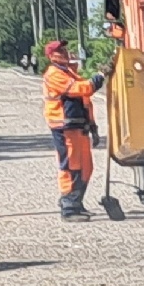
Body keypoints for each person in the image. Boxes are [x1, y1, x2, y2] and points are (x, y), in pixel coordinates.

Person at [42, 39, 101, 220]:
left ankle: (77, 202)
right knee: (70, 166)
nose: (65, 53)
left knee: (85, 168)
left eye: (65, 49)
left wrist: (93, 127)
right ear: (51, 56)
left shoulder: (69, 73)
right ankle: (68, 207)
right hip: (64, 126)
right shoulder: (54, 74)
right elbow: (80, 90)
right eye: (60, 51)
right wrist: (99, 77)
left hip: (78, 125)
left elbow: (85, 101)